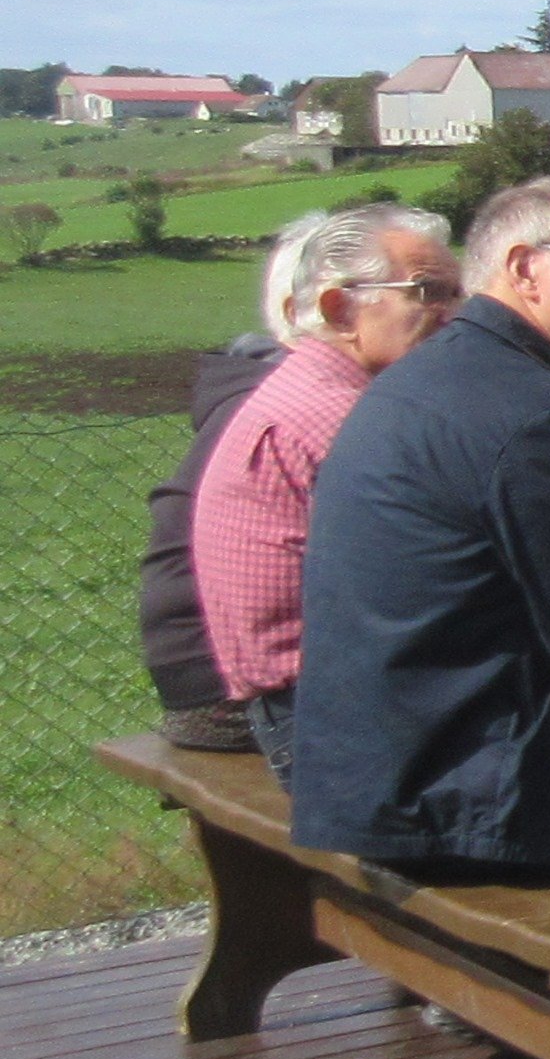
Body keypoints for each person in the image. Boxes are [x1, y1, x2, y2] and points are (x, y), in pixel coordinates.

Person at [292, 177, 550, 882]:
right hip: (470, 811)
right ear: (525, 269)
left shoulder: (429, 375)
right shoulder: (541, 417)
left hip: (382, 780)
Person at [190, 204, 462, 781]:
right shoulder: (343, 417)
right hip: (331, 723)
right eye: (428, 291)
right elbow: (436, 581)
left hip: (312, 706)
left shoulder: (315, 388)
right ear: (341, 309)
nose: (453, 316)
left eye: (458, 294)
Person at [138, 218, 316, 751]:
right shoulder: (283, 410)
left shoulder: (258, 390)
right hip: (230, 690)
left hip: (213, 670)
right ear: (298, 312)